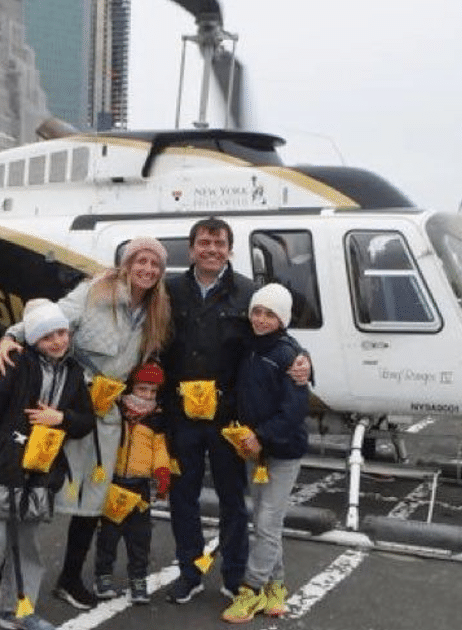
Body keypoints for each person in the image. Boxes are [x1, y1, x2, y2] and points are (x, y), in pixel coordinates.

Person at [0, 236, 172, 610]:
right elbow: (53, 318)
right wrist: (11, 336)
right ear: (126, 264)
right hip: (68, 397)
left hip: (106, 413)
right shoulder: (95, 292)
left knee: (92, 499)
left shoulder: (155, 311)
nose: (147, 269)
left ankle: (70, 578)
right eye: (140, 261)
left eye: (154, 264)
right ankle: (5, 572)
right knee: (36, 487)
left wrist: (138, 398)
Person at [161, 218, 311, 604]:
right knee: (183, 497)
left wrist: (305, 358)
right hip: (181, 416)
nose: (212, 250)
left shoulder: (247, 293)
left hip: (229, 419)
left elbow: (275, 336)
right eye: (204, 243)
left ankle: (233, 573)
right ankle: (189, 572)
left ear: (230, 249)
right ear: (191, 249)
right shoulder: (169, 291)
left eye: (219, 243)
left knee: (232, 500)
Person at [0, 299, 95, 630]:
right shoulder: (16, 363)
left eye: (61, 333)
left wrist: (61, 418)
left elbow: (86, 421)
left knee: (27, 545)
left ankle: (17, 610)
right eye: (47, 336)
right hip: (0, 464)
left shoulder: (74, 373)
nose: (57, 341)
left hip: (39, 470)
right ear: (34, 340)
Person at [220, 284, 310, 623]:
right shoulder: (249, 346)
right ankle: (276, 586)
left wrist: (262, 435)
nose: (260, 319)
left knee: (267, 522)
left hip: (281, 452)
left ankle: (251, 589)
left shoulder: (288, 355)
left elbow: (295, 410)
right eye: (256, 312)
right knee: (265, 520)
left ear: (283, 319)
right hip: (254, 450)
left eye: (270, 314)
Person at [92, 362, 172, 605]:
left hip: (141, 486)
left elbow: (159, 449)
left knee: (140, 537)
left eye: (153, 391)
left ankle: (138, 578)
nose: (147, 395)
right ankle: (103, 575)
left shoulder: (156, 419)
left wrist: (162, 473)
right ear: (131, 388)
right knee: (109, 534)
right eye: (142, 389)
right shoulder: (116, 411)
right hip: (115, 482)